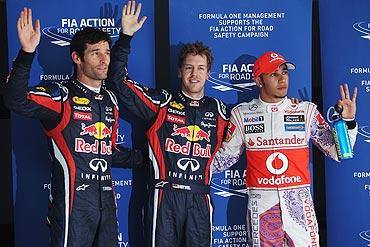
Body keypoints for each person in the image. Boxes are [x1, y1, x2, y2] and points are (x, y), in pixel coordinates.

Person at [3, 8, 143, 247]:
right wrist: (27, 53)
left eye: (107, 53)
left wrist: (147, 158)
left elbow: (107, 152)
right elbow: (15, 100)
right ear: (77, 57)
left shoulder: (110, 100)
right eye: (95, 53)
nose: (104, 60)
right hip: (71, 205)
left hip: (106, 206)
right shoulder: (61, 96)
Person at [105, 1, 229, 246]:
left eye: (201, 68)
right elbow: (118, 82)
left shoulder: (222, 112)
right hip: (164, 196)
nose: (195, 74)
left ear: (209, 73)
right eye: (189, 68)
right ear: (179, 72)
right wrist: (125, 37)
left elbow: (256, 124)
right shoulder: (162, 102)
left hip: (199, 199)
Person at [212, 51, 358, 246]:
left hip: (299, 208)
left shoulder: (306, 111)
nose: (282, 79)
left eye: (284, 72)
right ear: (258, 81)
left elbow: (337, 152)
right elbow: (225, 159)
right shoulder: (242, 114)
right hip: (262, 206)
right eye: (274, 74)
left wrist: (347, 121)